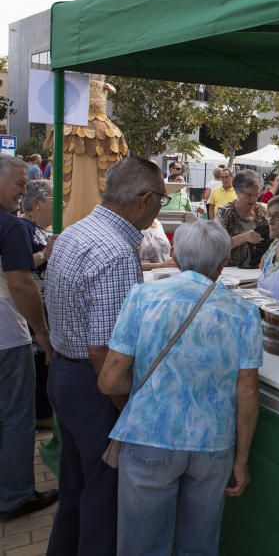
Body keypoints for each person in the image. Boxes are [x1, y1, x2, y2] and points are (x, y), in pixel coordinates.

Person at [97, 221, 261, 555]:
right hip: (212, 445)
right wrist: (241, 460)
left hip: (149, 435)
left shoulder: (144, 296)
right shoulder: (244, 310)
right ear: (222, 263)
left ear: (174, 254)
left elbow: (110, 380)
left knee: (141, 547)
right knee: (198, 545)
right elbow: (247, 391)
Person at [45, 155, 166, 555]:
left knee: (76, 486)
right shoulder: (116, 252)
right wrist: (127, 409)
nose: (160, 207)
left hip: (66, 373)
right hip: (92, 383)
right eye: (162, 200)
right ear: (144, 199)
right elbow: (106, 353)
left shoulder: (76, 231)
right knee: (103, 493)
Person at [0, 156, 57, 522]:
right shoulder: (10, 227)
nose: (25, 189)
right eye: (20, 183)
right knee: (17, 418)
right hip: (7, 337)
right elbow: (21, 283)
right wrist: (41, 332)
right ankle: (16, 496)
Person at [18, 179, 57, 426]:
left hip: (44, 307)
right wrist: (44, 254)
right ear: (37, 203)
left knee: (43, 361)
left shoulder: (43, 229)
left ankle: (43, 413)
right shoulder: (22, 228)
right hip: (30, 308)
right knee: (37, 361)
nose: (59, 206)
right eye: (55, 201)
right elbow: (15, 265)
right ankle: (39, 414)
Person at [216, 170, 268, 268]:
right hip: (231, 271)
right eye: (248, 195)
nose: (253, 199)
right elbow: (217, 246)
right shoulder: (224, 212)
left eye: (256, 194)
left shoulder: (264, 211)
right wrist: (244, 237)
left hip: (257, 269)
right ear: (236, 191)